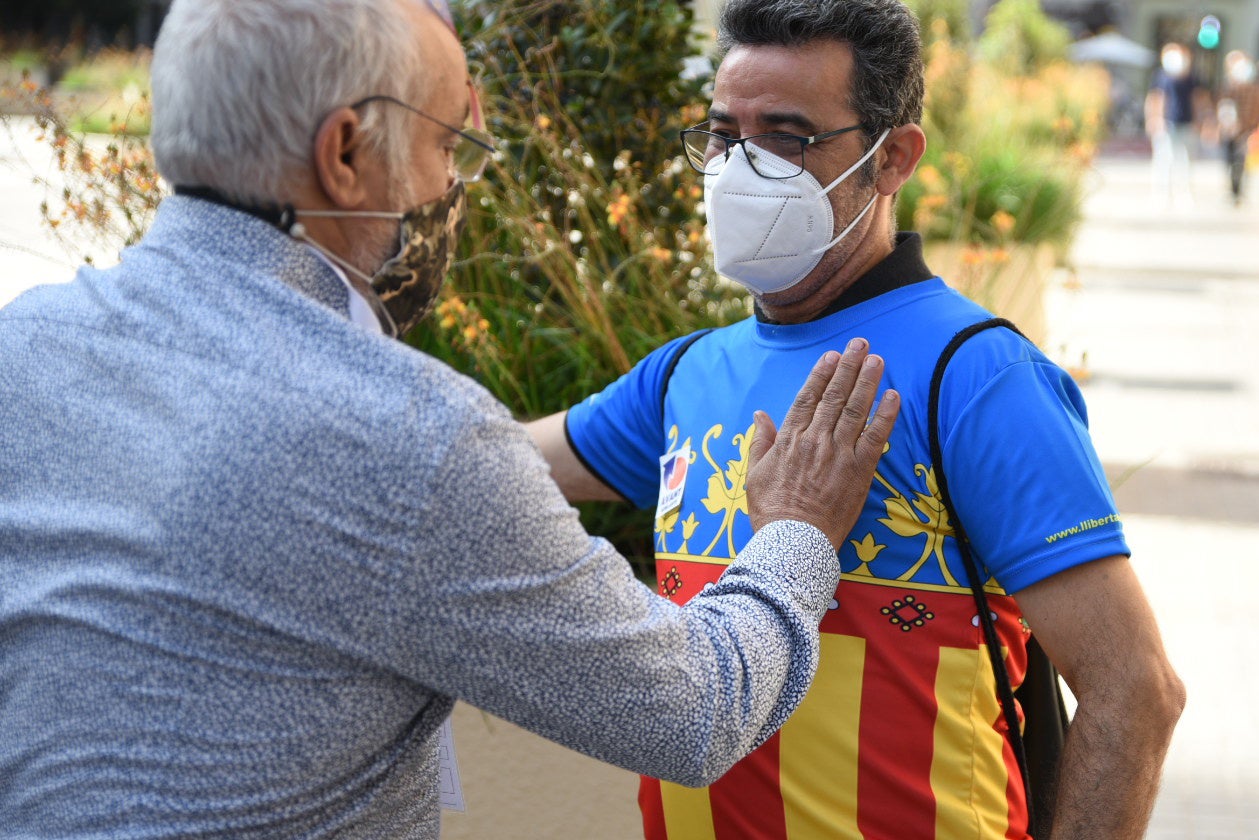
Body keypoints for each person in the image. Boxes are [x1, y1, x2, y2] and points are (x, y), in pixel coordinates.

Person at [0, 0, 904, 836]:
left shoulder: (26, 350)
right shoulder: (411, 440)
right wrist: (794, 533)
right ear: (345, 154)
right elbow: (695, 713)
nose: (451, 184)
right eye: (443, 144)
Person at [529, 1, 1185, 837]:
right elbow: (492, 467)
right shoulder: (687, 372)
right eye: (726, 133)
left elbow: (1135, 691)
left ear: (892, 158)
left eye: (788, 137)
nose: (740, 167)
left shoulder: (978, 376)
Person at [1145, 42, 1206, 205]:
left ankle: (1184, 193)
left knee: (1185, 160)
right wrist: (1154, 118)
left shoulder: (1192, 78)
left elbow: (1198, 99)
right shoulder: (1161, 76)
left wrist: (1200, 121)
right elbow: (1155, 98)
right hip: (1166, 124)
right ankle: (1161, 193)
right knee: (1163, 159)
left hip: (1187, 124)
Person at [1218, 49, 1259, 205]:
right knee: (1229, 160)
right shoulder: (1228, 87)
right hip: (1230, 131)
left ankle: (1239, 191)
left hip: (1248, 130)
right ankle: (1232, 189)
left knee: (1242, 161)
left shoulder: (1254, 88)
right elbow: (1223, 107)